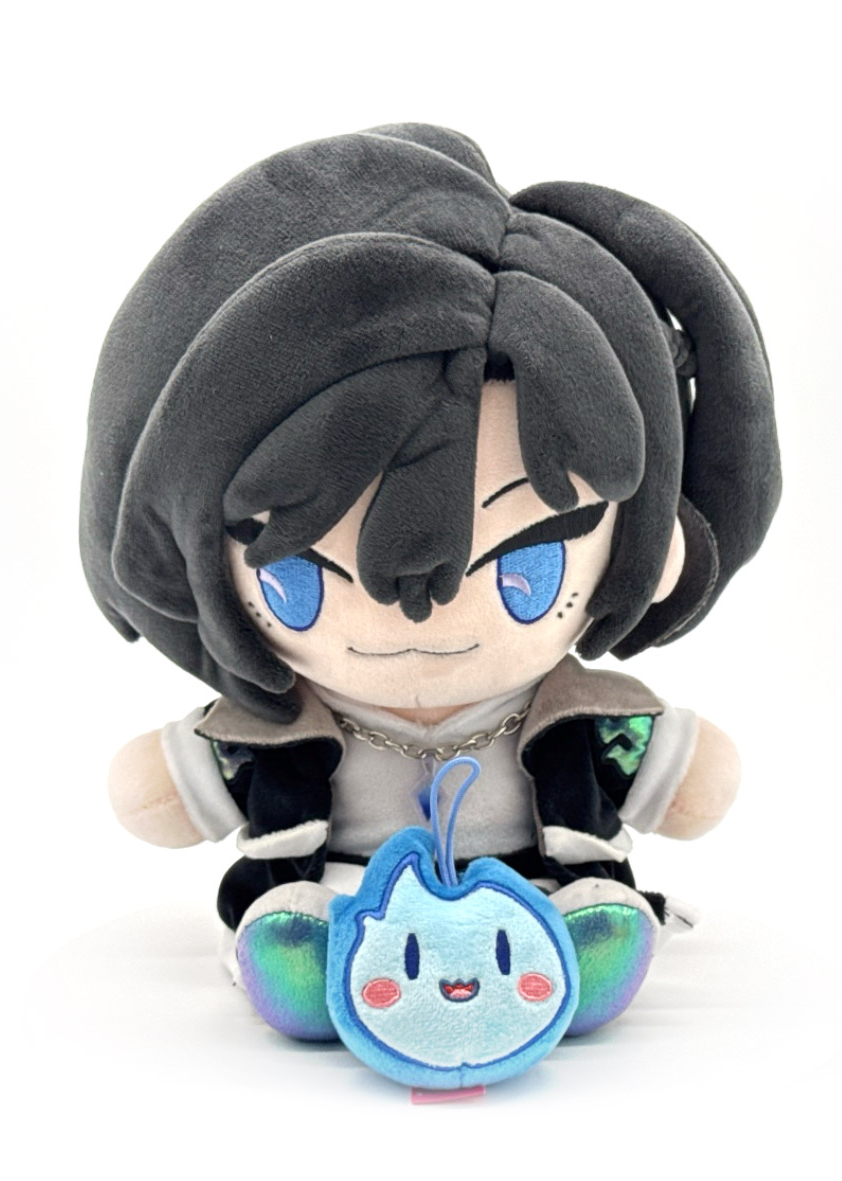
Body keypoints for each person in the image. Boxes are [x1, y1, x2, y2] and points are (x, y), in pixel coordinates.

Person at [81, 122, 780, 1040]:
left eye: (526, 569)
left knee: (576, 912)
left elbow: (698, 783)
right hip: (337, 899)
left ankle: (587, 941)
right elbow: (150, 796)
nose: (419, 615)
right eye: (300, 577)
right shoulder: (282, 732)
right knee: (303, 928)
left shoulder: (575, 720)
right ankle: (303, 959)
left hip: (537, 894)